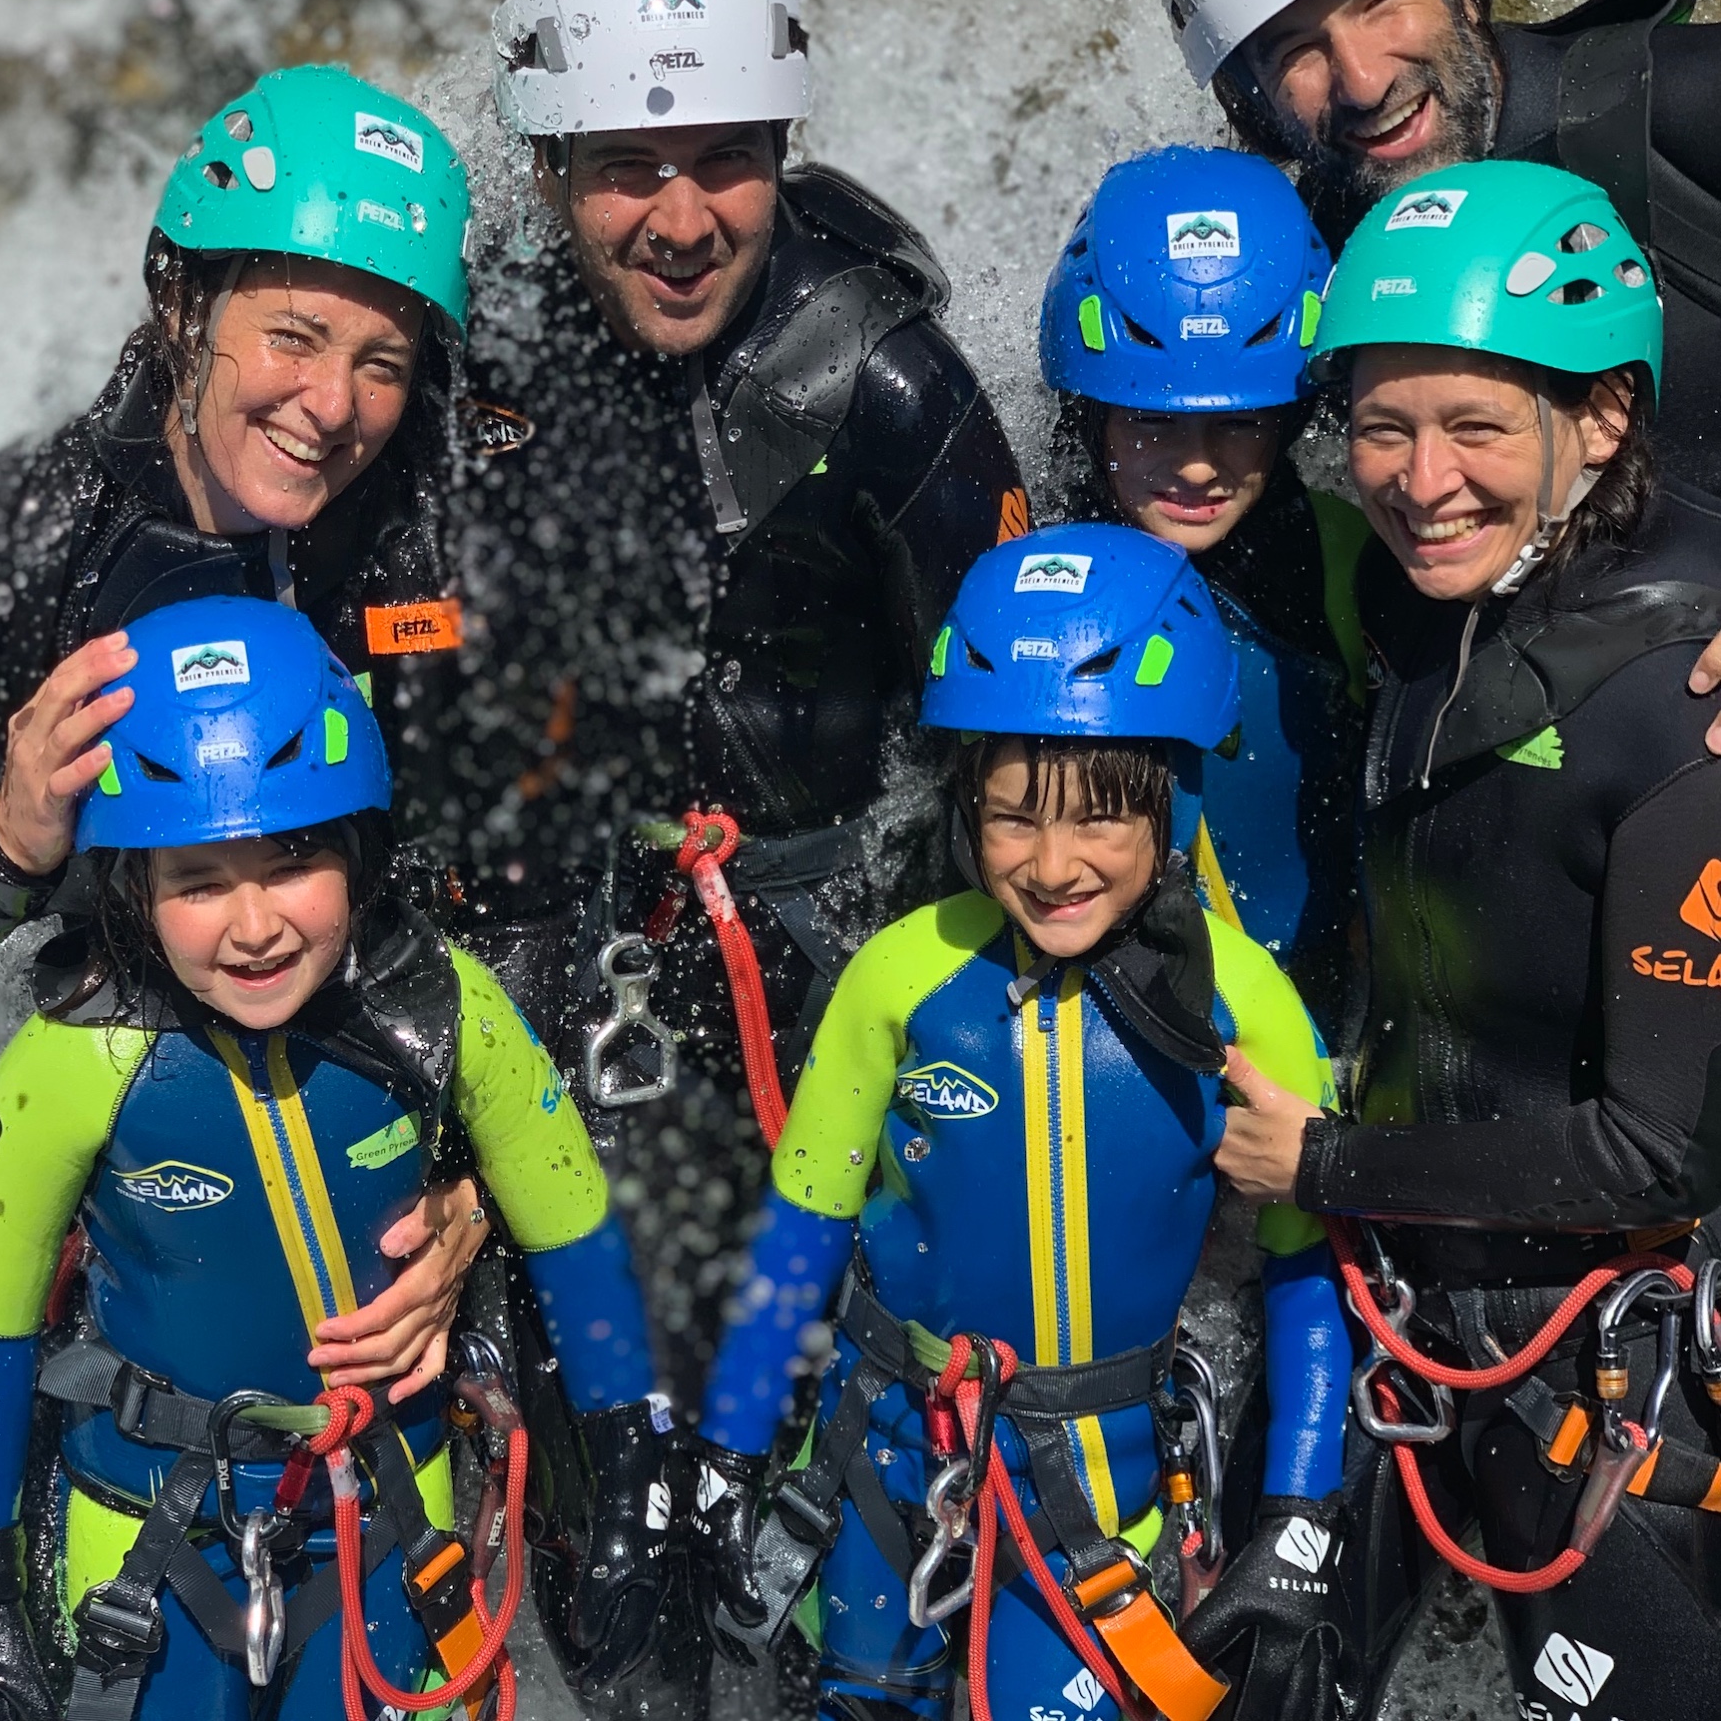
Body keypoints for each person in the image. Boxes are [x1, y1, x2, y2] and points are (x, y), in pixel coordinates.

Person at [0, 65, 490, 1388]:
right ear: (183, 305)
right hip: (60, 1181)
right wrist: (7, 847)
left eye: (382, 364)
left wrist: (472, 1182)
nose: (331, 406)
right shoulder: (13, 560)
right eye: (293, 337)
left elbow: (505, 873)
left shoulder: (426, 529)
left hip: (350, 1134)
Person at [470, 0, 1026, 1402]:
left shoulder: (887, 386)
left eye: (725, 159)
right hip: (575, 927)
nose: (681, 221)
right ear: (546, 166)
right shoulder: (480, 348)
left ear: (783, 147)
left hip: (830, 938)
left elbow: (1023, 728)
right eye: (625, 168)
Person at [0, 595, 669, 1721]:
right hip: (144, 1532)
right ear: (131, 889)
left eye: (290, 862)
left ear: (358, 849)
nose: (254, 927)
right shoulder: (71, 1059)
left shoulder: (445, 1010)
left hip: (392, 1518)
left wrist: (628, 1487)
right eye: (197, 881)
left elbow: (575, 1238)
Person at [681, 524, 1355, 1721]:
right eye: (1011, 818)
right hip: (884, 1454)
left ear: (1174, 804)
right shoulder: (899, 976)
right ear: (963, 810)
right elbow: (800, 1236)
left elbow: (1306, 1282)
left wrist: (1300, 1513)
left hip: (1095, 1493)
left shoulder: (1245, 1007)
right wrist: (731, 1456)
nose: (1052, 865)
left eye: (1100, 819)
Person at [1214, 160, 1721, 1715]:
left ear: (1602, 418)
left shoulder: (1683, 704)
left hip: (1596, 1367)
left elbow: (1656, 1153)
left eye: (1475, 427)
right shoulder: (1415, 600)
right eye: (1382, 426)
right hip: (1387, 1312)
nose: (1421, 478)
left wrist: (1325, 1164)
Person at [1148, 0, 1721, 499]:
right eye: (1295, 50)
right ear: (1252, 100)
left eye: (1380, 2)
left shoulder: (1682, 104)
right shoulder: (1290, 277)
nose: (1364, 82)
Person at [1040, 144, 1365, 1043]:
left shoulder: (1351, 557)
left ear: (1290, 421)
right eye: (1150, 421)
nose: (1195, 466)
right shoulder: (1028, 566)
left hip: (1305, 1020)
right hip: (1097, 1031)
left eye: (1239, 424)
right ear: (1089, 413)